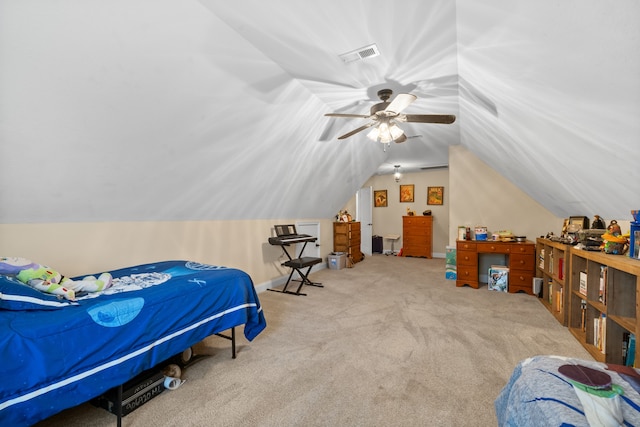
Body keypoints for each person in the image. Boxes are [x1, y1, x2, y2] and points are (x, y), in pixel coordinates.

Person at [0, 256, 112, 300]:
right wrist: (66, 292)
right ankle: (100, 284)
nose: (16, 259)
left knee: (75, 283)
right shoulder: (29, 277)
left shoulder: (30, 268)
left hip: (61, 279)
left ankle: (86, 283)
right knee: (74, 286)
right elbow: (47, 286)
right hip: (62, 285)